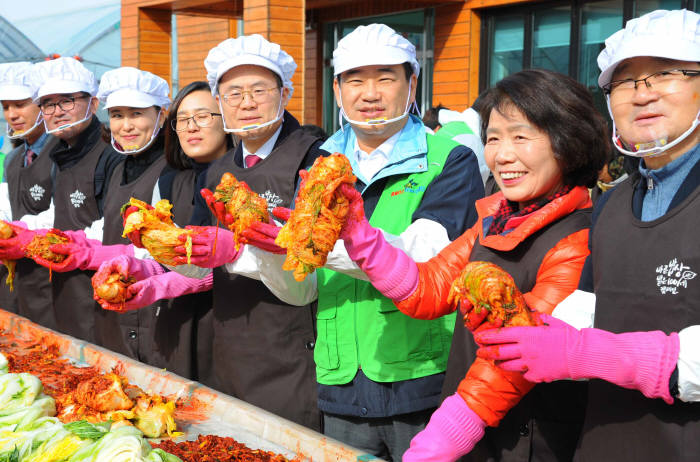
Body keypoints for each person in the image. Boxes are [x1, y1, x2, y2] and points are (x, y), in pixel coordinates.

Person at [331, 68, 608, 460]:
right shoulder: (494, 218)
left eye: (521, 136)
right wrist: (361, 239)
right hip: (473, 432)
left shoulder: (579, 238)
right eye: (493, 138)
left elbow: (516, 357)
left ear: (568, 143)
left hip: (527, 439)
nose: (502, 154)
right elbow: (428, 288)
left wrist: (441, 439)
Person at [243, 23, 484, 460]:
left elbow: (428, 258)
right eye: (355, 79)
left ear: (412, 84)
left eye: (385, 77)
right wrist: (266, 254)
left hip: (423, 376)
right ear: (337, 91)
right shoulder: (319, 164)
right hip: (340, 380)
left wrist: (320, 243)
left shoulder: (449, 160)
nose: (369, 93)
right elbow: (303, 290)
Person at [476, 9, 700, 461]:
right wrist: (532, 333)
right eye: (626, 81)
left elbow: (586, 348)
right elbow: (585, 308)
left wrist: (586, 353)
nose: (644, 93)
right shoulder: (612, 203)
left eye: (666, 73)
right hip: (604, 439)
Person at [98, 35, 325, 431]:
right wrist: (161, 255)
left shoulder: (312, 157)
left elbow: (310, 275)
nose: (247, 102)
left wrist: (236, 251)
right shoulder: (220, 171)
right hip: (229, 341)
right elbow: (208, 269)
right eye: (233, 92)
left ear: (285, 92)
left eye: (259, 90)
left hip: (290, 346)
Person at [94, 80, 230, 380]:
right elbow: (165, 256)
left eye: (203, 116)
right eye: (183, 120)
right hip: (175, 324)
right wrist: (139, 267)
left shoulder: (239, 178)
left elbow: (225, 263)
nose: (192, 127)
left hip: (228, 324)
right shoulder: (169, 180)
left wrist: (160, 283)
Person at [16, 57, 122, 339]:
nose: (57, 111)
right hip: (65, 289)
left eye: (68, 101)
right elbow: (57, 211)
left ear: (94, 103)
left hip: (103, 292)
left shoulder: (111, 153)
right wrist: (22, 231)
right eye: (48, 104)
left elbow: (112, 227)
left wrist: (73, 247)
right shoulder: (60, 153)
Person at [0, 62, 56, 317]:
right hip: (18, 279)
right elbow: (8, 209)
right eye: (5, 107)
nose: (12, 115)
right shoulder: (13, 159)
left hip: (53, 281)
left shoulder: (61, 154)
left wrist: (20, 233)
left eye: (20, 104)